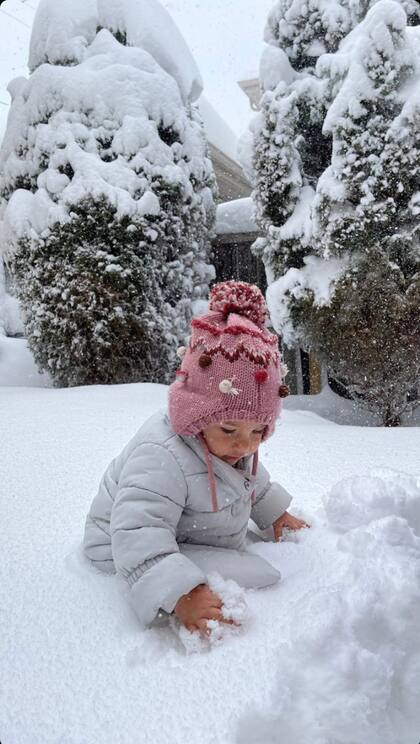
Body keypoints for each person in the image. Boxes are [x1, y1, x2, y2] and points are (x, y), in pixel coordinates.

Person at [83, 280, 308, 634]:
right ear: (195, 415)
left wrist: (275, 513)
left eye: (257, 431)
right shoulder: (161, 457)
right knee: (263, 574)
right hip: (121, 549)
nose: (244, 445)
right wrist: (181, 594)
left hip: (183, 532)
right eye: (231, 430)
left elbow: (249, 479)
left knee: (260, 568)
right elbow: (137, 531)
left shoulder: (228, 445)